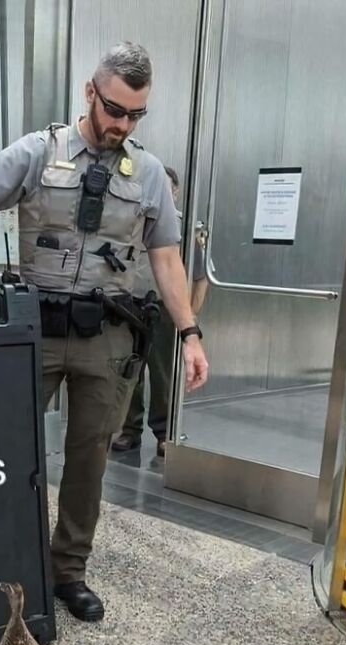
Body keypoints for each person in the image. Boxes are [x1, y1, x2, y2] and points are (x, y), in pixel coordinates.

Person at [0, 43, 209, 621]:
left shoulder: (150, 174)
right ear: (90, 92)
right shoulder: (39, 152)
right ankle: (1, 562)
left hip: (108, 338)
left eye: (135, 115)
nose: (122, 124)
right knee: (4, 450)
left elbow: (166, 260)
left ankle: (68, 572)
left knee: (89, 460)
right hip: (33, 329)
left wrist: (190, 334)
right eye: (114, 109)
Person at [112, 166, 209, 456]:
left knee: (163, 374)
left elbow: (201, 278)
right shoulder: (130, 225)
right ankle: (130, 430)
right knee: (129, 371)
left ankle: (164, 433)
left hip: (166, 311)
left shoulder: (183, 229)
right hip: (131, 307)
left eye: (165, 188)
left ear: (175, 193)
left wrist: (187, 319)